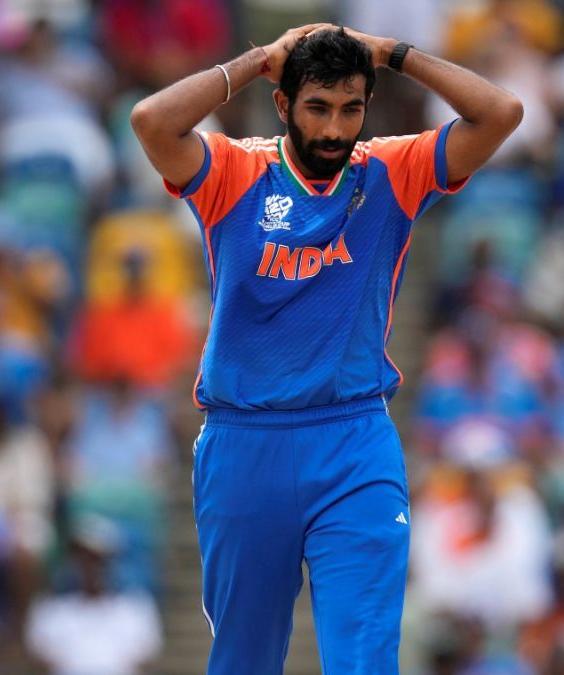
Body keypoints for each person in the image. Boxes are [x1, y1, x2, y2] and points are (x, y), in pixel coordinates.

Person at [130, 24, 522, 674]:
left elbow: (501, 113)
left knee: (365, 657)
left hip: (354, 440)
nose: (335, 129)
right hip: (244, 441)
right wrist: (260, 59)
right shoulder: (234, 170)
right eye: (317, 107)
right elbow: (151, 122)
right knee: (244, 659)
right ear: (283, 104)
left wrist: (393, 54)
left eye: (350, 108)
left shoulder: (391, 171)